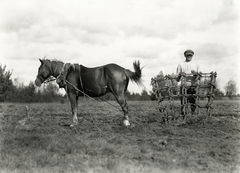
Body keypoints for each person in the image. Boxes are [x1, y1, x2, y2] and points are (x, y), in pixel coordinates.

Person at [176, 49, 200, 114]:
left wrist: (196, 74)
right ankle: (184, 117)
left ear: (192, 56)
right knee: (183, 103)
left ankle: (193, 117)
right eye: (188, 55)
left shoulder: (196, 64)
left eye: (190, 55)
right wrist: (180, 75)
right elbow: (177, 79)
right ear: (185, 55)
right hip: (184, 87)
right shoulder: (180, 64)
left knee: (193, 104)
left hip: (193, 86)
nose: (189, 56)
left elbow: (199, 78)